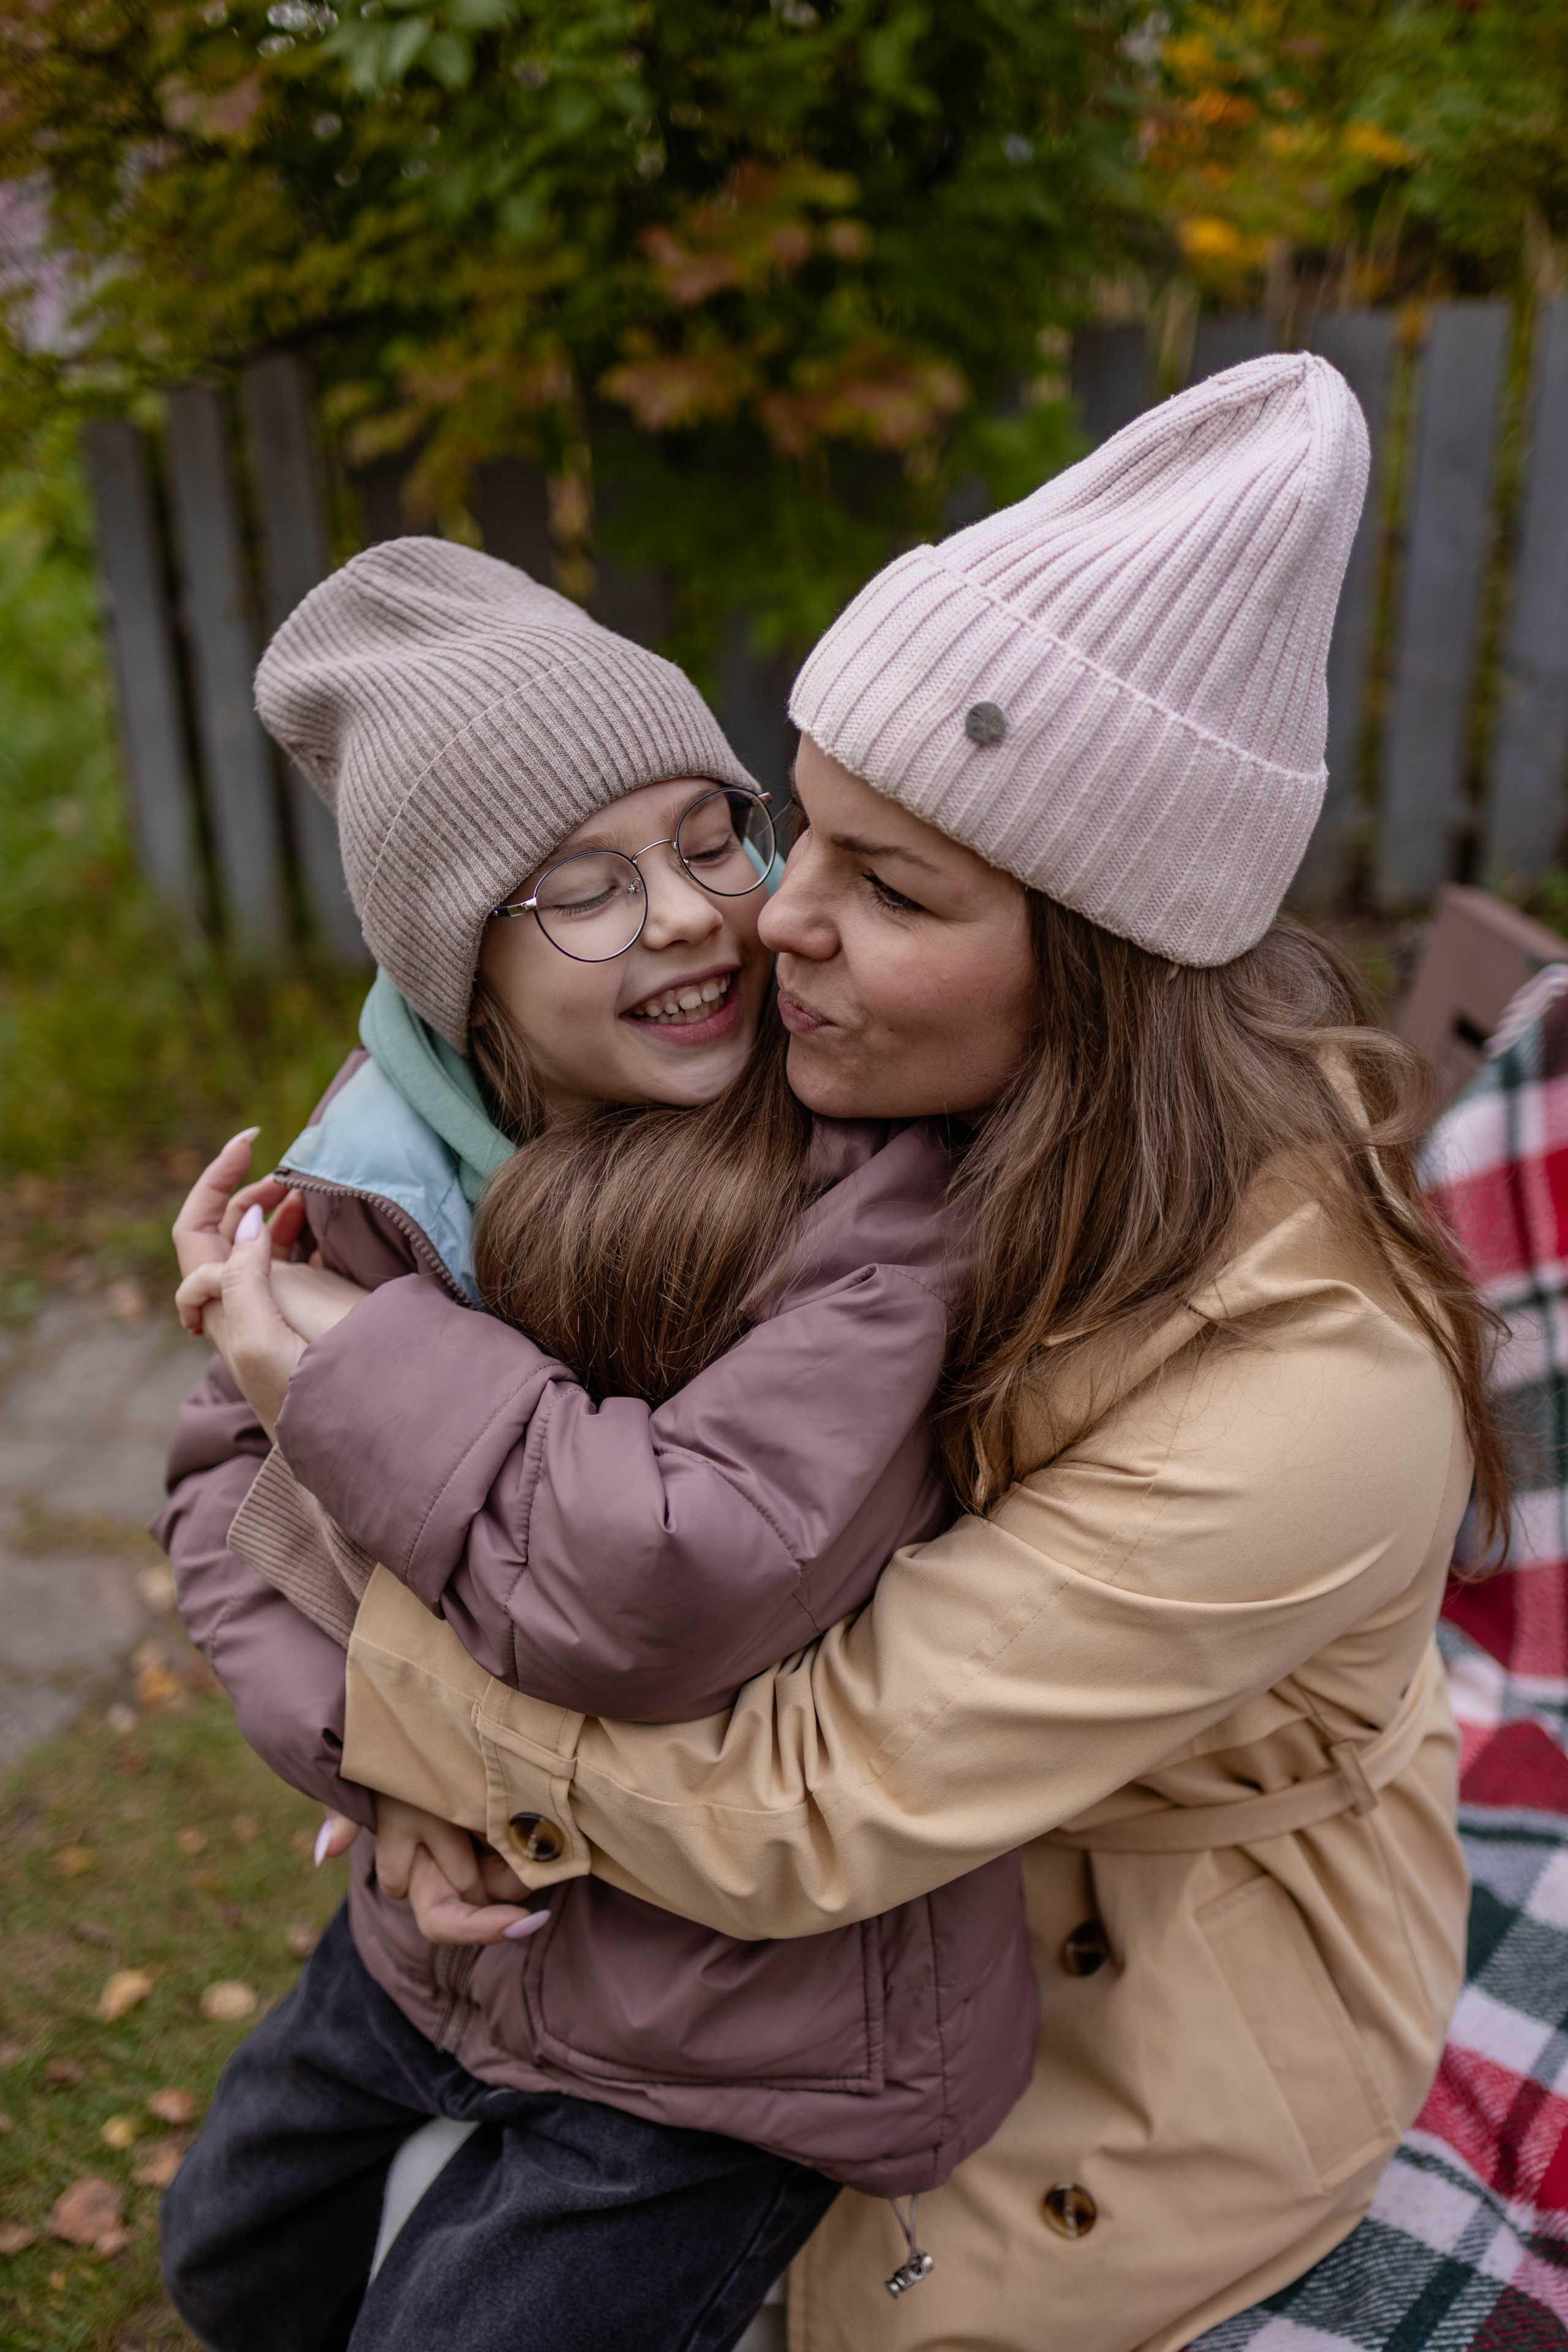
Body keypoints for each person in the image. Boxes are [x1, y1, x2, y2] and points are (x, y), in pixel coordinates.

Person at [206, 353, 1504, 2352]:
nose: (765, 923)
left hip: (1111, 2050)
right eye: (794, 829)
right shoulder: (827, 1114)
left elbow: (794, 1799)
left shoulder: (1308, 1397)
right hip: (752, 1954)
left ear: (1103, 963)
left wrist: (390, 1686)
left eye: (886, 885)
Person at [154, 539, 1036, 2352]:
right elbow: (218, 1493)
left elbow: (663, 1583)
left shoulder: (859, 1186)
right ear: (460, 971)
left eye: (712, 837)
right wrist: (372, 1763)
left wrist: (346, 1361)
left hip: (738, 2025)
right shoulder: (389, 1165)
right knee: (233, 2255)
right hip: (454, 1934)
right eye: (582, 887)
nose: (695, 914)